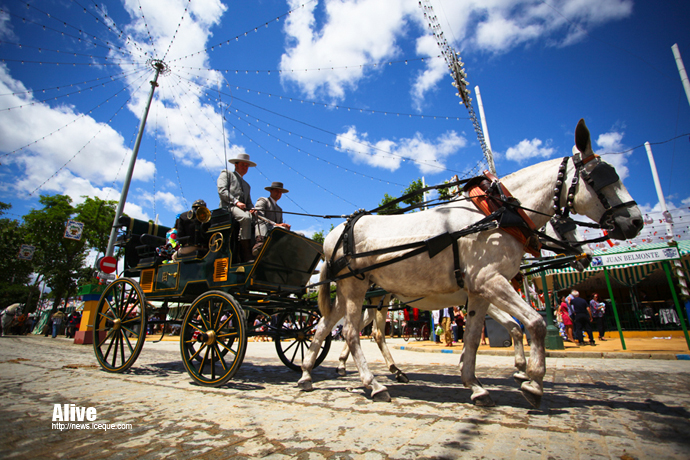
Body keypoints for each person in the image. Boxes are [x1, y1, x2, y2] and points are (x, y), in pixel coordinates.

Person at [217, 152, 256, 262]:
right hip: (228, 208)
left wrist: (253, 209)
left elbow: (248, 203)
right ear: (236, 165)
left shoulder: (247, 185)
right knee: (245, 218)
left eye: (247, 166)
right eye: (243, 165)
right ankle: (245, 252)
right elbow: (222, 191)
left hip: (242, 209)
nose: (245, 167)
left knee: (257, 220)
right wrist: (236, 202)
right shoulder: (227, 174)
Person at [253, 181, 291, 256]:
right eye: (277, 191)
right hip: (265, 229)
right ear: (271, 191)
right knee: (261, 222)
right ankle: (259, 244)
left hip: (275, 231)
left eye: (280, 192)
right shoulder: (263, 200)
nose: (279, 193)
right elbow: (259, 216)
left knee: (300, 234)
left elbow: (280, 224)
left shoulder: (279, 209)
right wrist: (276, 224)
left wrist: (285, 227)